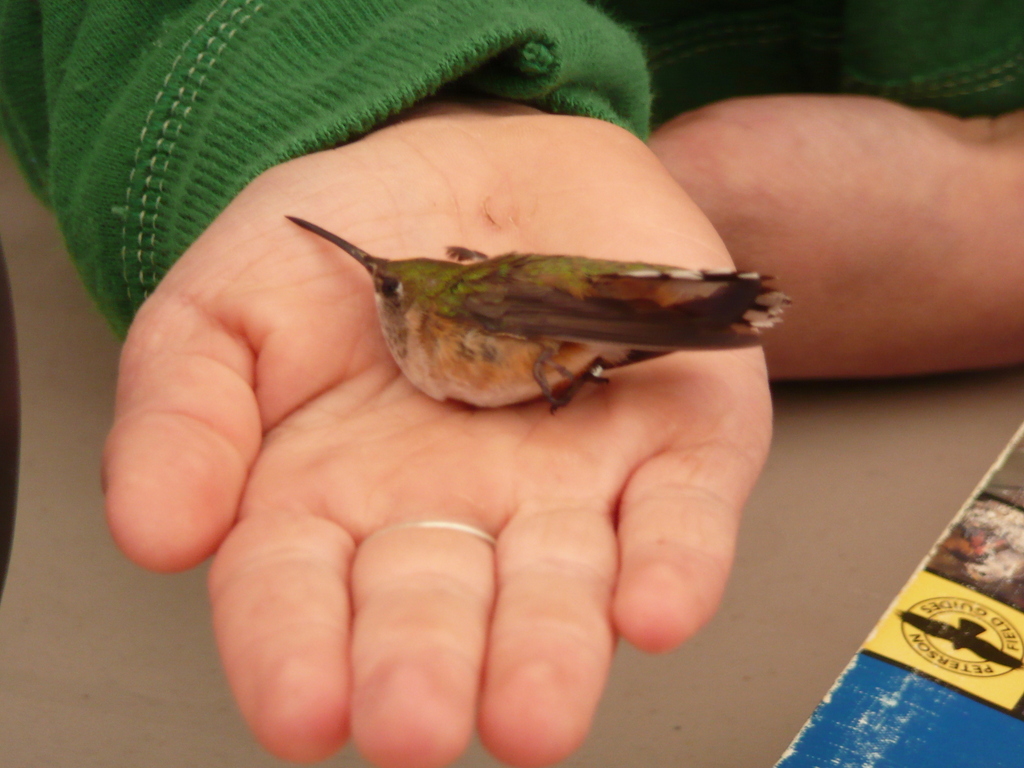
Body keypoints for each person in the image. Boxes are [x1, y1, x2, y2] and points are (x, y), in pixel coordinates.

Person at [1, 3, 1022, 766]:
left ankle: (703, 305)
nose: (380, 295)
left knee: (614, 313)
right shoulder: (440, 300)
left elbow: (533, 307)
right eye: (384, 285)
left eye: (388, 288)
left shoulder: (455, 312)